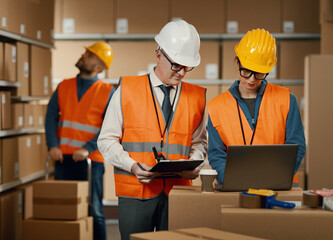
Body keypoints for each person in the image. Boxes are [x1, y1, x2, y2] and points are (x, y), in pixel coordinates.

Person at [97, 20, 207, 240]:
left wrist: (196, 164)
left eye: (187, 67)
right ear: (159, 55)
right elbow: (106, 140)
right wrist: (133, 166)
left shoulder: (197, 97)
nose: (182, 73)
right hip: (136, 191)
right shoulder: (126, 90)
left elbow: (200, 142)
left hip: (179, 192)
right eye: (176, 65)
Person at [206, 29, 306, 186]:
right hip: (235, 188)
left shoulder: (287, 100)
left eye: (259, 73)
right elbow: (216, 154)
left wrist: (274, 178)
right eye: (245, 71)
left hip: (279, 188)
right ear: (237, 62)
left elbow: (296, 147)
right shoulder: (216, 107)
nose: (251, 79)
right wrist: (234, 181)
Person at [45, 42, 115, 240]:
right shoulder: (64, 86)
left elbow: (109, 127)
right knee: (63, 212)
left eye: (90, 55)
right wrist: (52, 145)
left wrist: (88, 148)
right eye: (86, 52)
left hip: (91, 162)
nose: (84, 55)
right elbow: (51, 116)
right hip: (62, 160)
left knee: (95, 211)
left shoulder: (107, 91)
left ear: (98, 67)